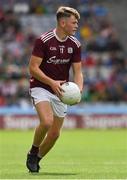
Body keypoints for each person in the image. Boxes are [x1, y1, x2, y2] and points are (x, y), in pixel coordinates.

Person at [26, 6, 83, 173]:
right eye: (74, 22)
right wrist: (51, 82)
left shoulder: (75, 44)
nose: (76, 25)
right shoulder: (43, 40)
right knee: (46, 122)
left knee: (55, 134)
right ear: (63, 22)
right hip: (41, 86)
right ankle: (33, 150)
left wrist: (79, 89)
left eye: (77, 22)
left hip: (61, 91)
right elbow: (33, 68)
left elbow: (78, 71)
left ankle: (37, 158)